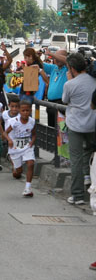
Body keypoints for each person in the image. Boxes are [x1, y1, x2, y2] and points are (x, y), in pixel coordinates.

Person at [62, 53, 96, 206]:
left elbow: (65, 100)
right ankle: (88, 178)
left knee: (75, 159)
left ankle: (77, 195)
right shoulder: (94, 81)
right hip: (93, 124)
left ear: (72, 68)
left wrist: (70, 81)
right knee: (89, 153)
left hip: (75, 125)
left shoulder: (70, 84)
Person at [4, 100, 36, 197]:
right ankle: (15, 167)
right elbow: (5, 133)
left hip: (27, 146)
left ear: (30, 110)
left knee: (30, 163)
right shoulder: (14, 122)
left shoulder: (32, 121)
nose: (25, 113)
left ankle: (28, 188)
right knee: (18, 172)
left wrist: (32, 141)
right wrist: (9, 140)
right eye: (23, 111)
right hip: (15, 147)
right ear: (19, 111)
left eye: (27, 110)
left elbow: (34, 134)